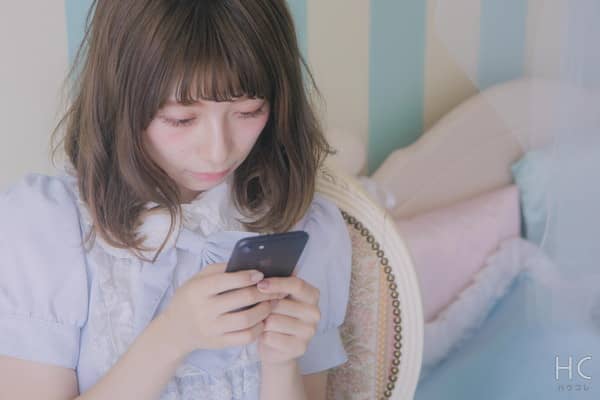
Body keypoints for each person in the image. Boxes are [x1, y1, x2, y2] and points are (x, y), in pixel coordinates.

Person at [0, 1, 352, 399]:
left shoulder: (304, 225)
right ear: (121, 102)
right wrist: (171, 337)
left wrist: (281, 362)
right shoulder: (44, 229)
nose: (218, 152)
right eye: (181, 119)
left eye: (248, 111)